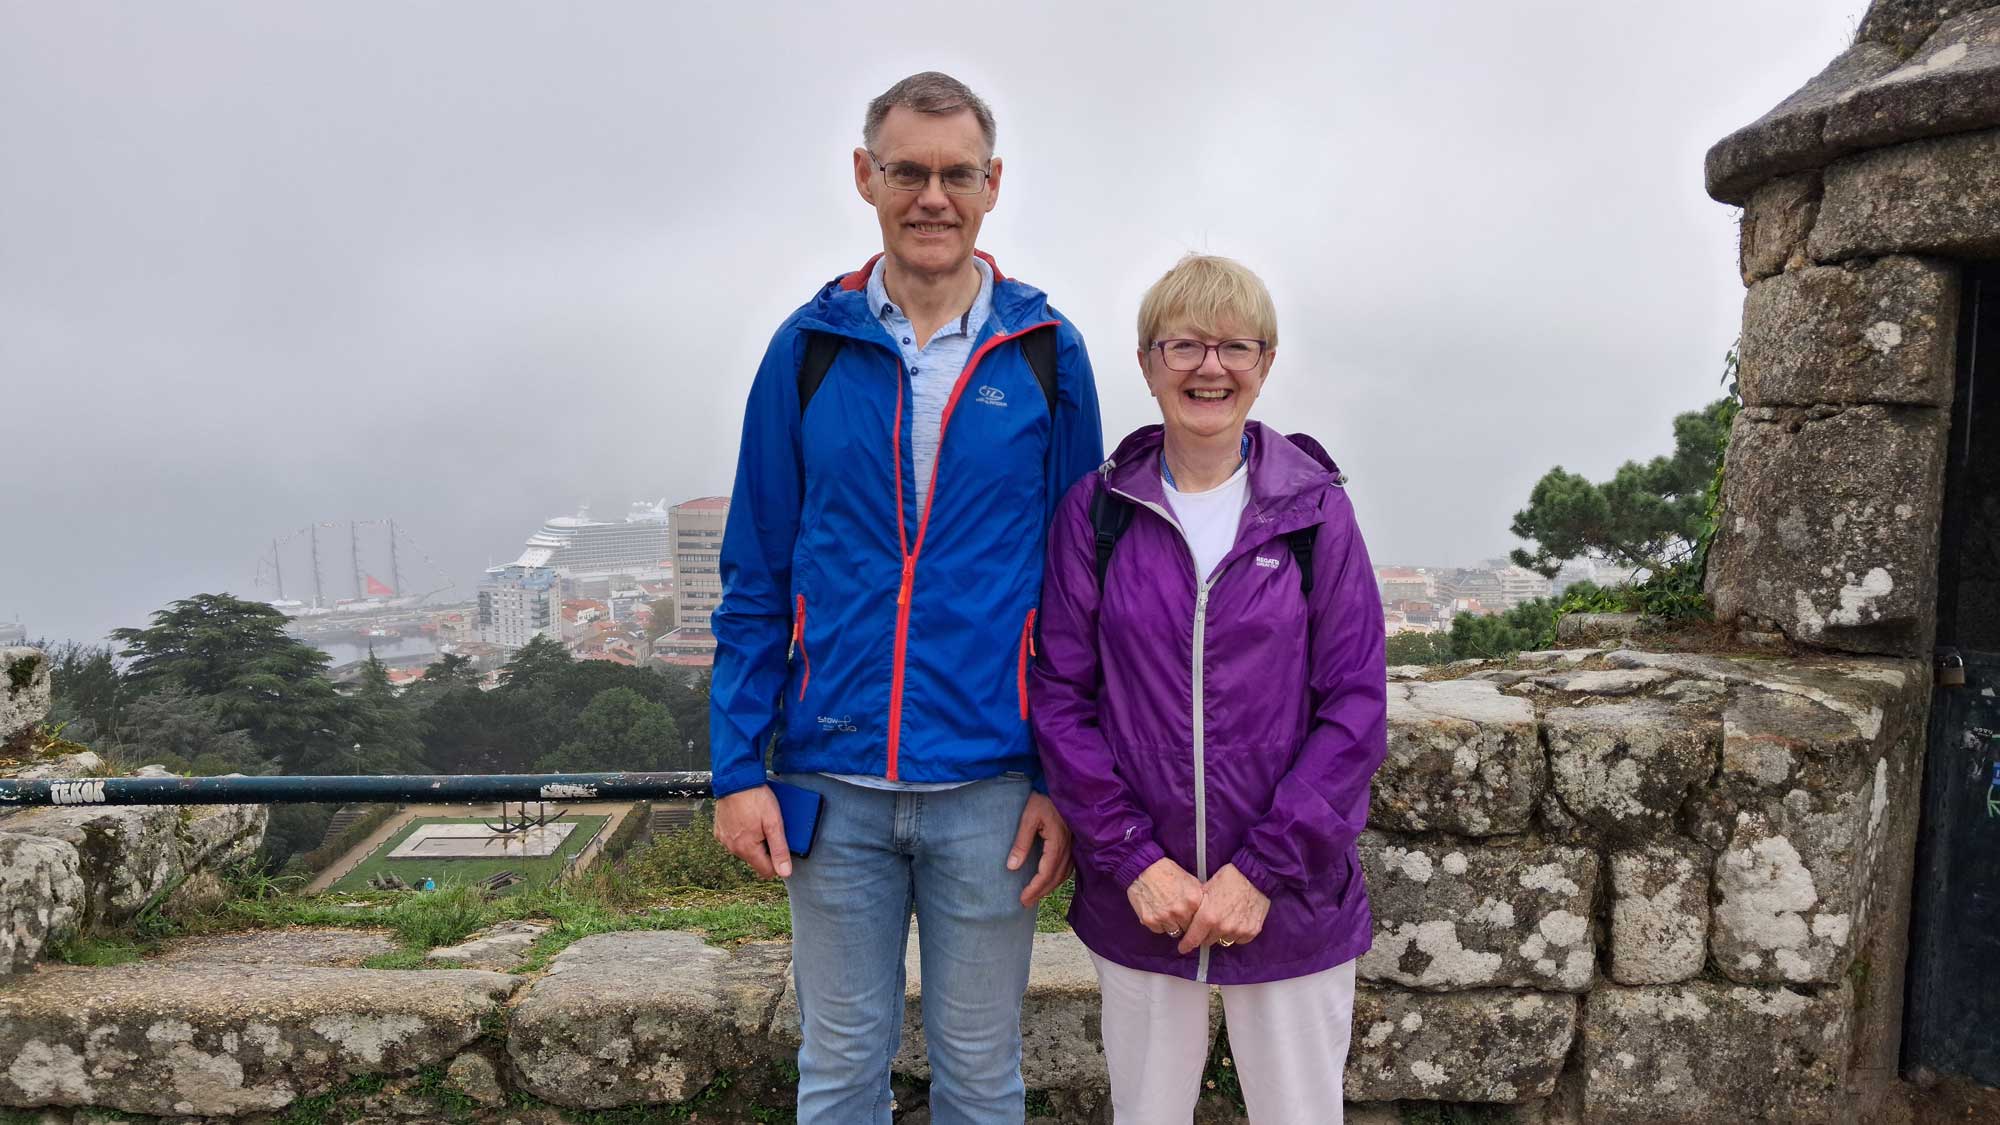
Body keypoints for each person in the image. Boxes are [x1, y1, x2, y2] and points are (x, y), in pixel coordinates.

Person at [707, 71, 1103, 1124]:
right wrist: (736, 768)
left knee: (981, 1073)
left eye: (955, 175)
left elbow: (1081, 590)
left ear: (991, 185)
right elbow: (755, 572)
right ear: (865, 177)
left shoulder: (1048, 354)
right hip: (831, 780)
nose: (932, 197)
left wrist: (1062, 777)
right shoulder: (806, 350)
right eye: (908, 173)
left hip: (990, 784)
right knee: (838, 1070)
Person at [1031, 254, 1387, 1124]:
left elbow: (1355, 706)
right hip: (1143, 900)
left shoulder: (1314, 514)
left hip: (1292, 897)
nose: (1210, 367)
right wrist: (1134, 862)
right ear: (1150, 363)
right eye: (1184, 345)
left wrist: (1261, 871)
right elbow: (1062, 699)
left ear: (1265, 363)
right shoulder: (1098, 512)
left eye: (1234, 346)